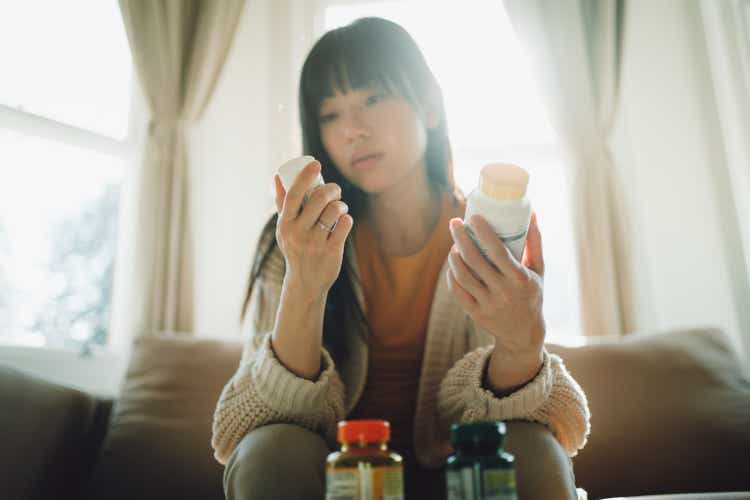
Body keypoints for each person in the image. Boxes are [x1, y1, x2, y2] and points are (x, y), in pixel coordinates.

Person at [211, 17, 590, 500]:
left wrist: (523, 340)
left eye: (373, 99)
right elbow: (257, 418)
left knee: (531, 447)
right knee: (269, 449)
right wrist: (305, 283)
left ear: (429, 105)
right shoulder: (297, 238)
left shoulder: (487, 235)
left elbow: (526, 417)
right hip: (334, 476)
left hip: (463, 466)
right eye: (330, 114)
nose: (352, 130)